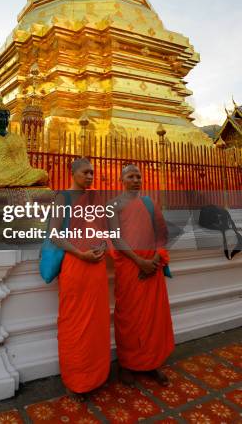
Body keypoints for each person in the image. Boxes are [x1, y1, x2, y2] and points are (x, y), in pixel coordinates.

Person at [50, 158, 110, 399]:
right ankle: (75, 378)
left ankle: (95, 376)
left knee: (96, 324)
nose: (90, 176)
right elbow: (54, 235)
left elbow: (105, 230)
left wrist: (103, 245)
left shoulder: (95, 199)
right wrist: (79, 253)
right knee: (74, 323)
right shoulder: (62, 198)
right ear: (73, 173)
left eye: (92, 173)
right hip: (75, 266)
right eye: (85, 172)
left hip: (96, 267)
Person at [110, 164, 174, 387]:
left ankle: (152, 362)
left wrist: (155, 258)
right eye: (130, 176)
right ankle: (127, 364)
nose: (136, 180)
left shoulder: (149, 203)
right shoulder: (114, 205)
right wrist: (140, 262)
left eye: (138, 176)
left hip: (152, 268)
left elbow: (161, 233)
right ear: (122, 179)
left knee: (153, 318)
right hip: (130, 267)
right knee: (129, 317)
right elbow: (116, 239)